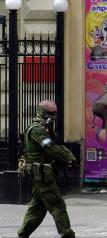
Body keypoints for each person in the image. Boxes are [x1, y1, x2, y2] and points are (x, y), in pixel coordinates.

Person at [17, 100, 76, 238]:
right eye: (51, 113)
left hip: (44, 173)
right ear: (42, 112)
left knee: (37, 208)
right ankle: (67, 235)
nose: (54, 116)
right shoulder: (37, 129)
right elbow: (50, 148)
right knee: (57, 205)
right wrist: (67, 157)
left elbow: (54, 146)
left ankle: (22, 234)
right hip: (42, 174)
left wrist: (66, 155)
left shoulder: (45, 127)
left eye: (55, 113)